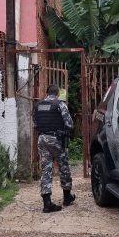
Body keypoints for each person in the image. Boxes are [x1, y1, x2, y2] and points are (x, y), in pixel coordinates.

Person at [33, 84, 76, 213]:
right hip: (57, 139)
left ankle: (47, 203)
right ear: (57, 94)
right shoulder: (60, 105)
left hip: (42, 139)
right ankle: (67, 197)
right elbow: (69, 124)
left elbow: (35, 123)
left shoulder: (38, 105)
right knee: (64, 167)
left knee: (46, 168)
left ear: (47, 93)